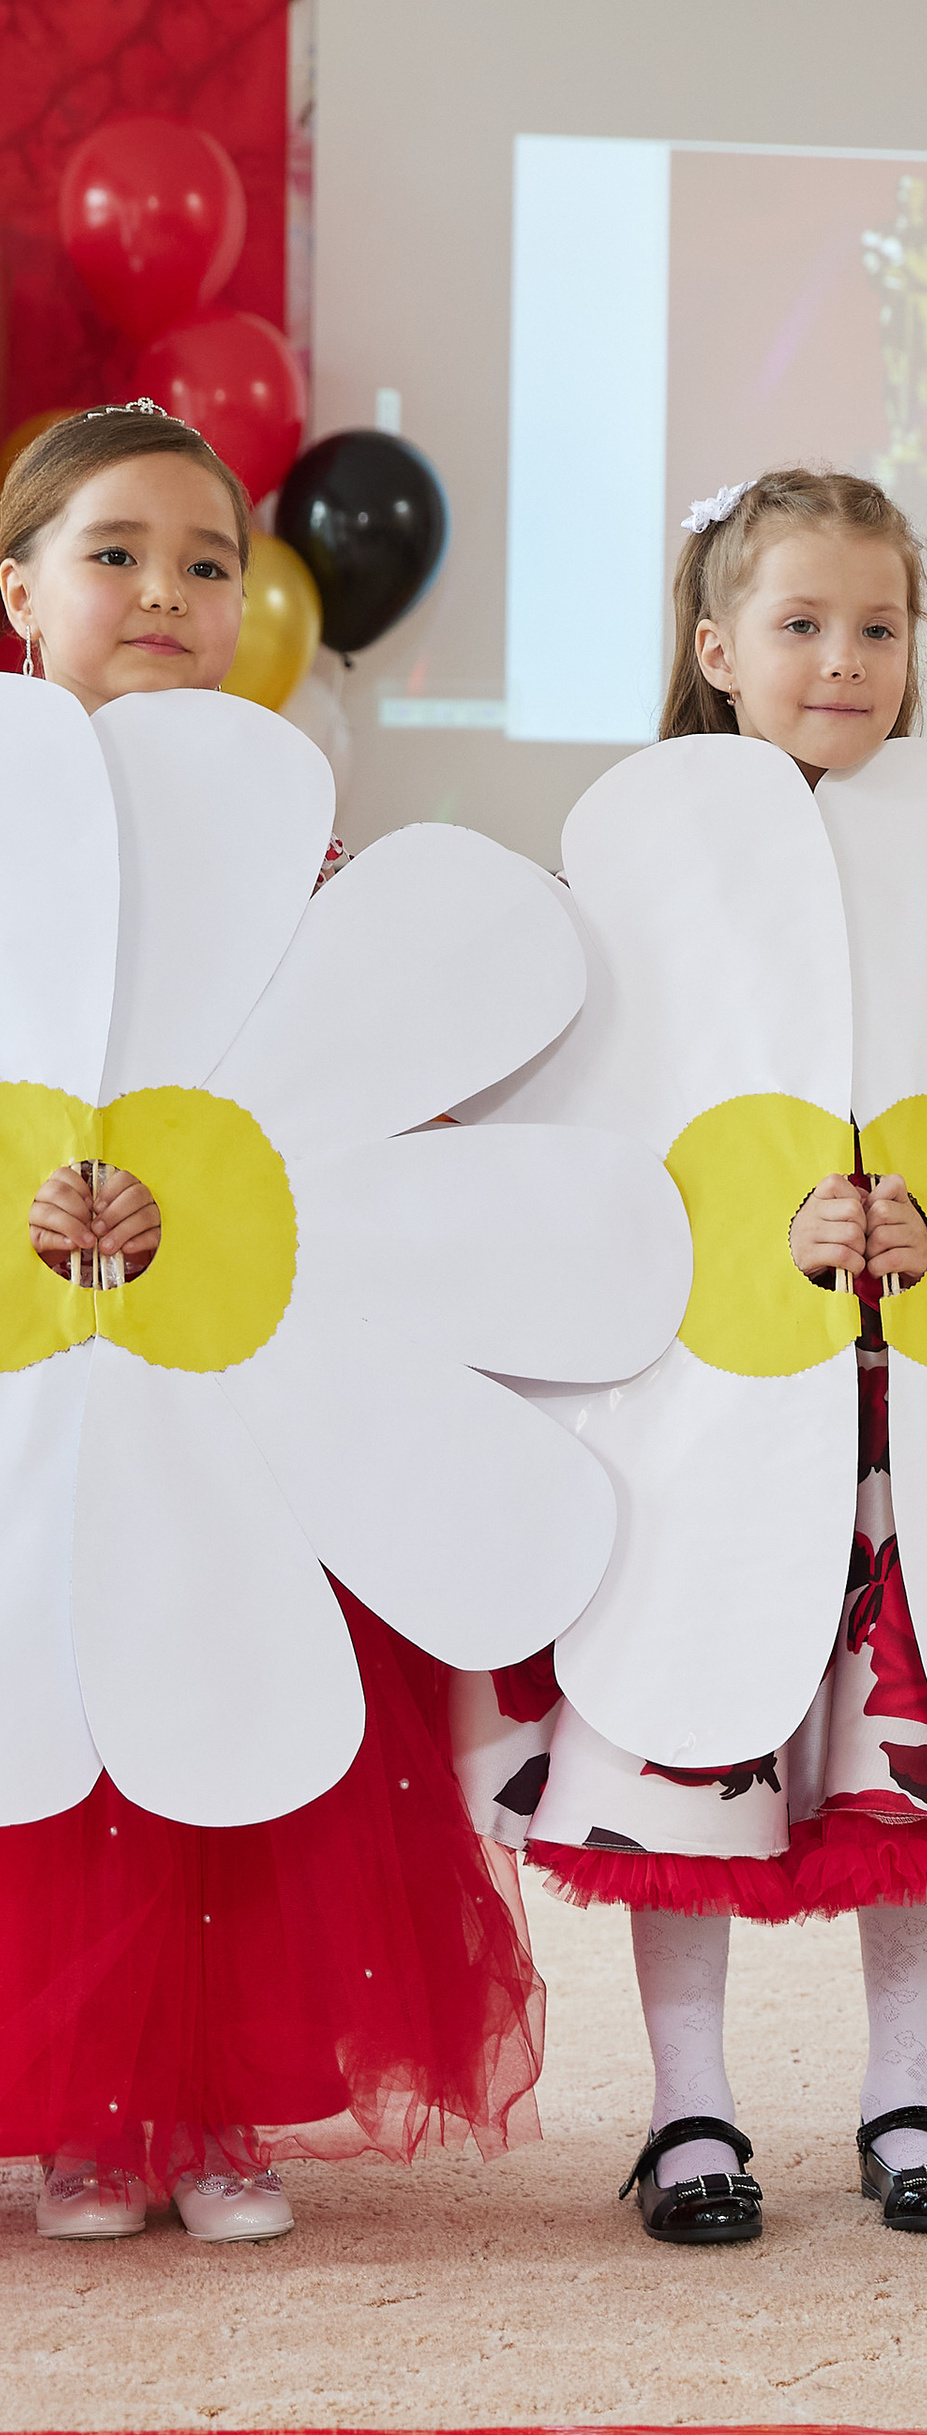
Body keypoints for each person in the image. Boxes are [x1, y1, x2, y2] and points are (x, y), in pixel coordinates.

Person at [465, 468, 927, 2247]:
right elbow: (585, 1129)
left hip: (914, 1404)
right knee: (686, 1731)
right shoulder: (636, 876)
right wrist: (744, 1232)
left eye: (880, 626)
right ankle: (690, 2108)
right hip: (700, 1401)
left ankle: (904, 2095)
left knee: (907, 1756)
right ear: (718, 647)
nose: (846, 659)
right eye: (801, 624)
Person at [0, 403, 546, 2244]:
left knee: (225, 1679)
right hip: (27, 1385)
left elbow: (347, 1107)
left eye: (207, 563)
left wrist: (202, 1199)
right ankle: (73, 2106)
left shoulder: (293, 852)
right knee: (38, 1691)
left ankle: (203, 2098)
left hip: (234, 1397)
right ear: (21, 594)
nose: (166, 591)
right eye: (116, 554)